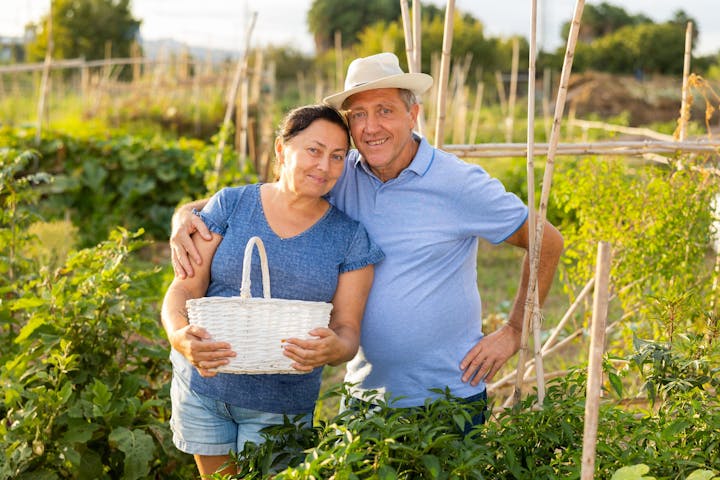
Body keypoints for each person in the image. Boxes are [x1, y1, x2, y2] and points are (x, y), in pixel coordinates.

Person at [171, 53, 563, 426]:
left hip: (448, 395)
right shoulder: (341, 173)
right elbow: (266, 196)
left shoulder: (458, 183)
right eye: (359, 114)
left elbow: (547, 241)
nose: (371, 127)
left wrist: (514, 329)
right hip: (364, 396)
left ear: (413, 114)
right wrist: (186, 212)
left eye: (385, 111)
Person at [161, 104, 384, 476]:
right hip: (205, 390)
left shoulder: (349, 238)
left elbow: (347, 332)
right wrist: (179, 336)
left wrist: (334, 349)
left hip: (280, 405)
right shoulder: (232, 205)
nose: (324, 166)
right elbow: (183, 289)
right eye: (313, 150)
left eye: (337, 156)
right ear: (281, 150)